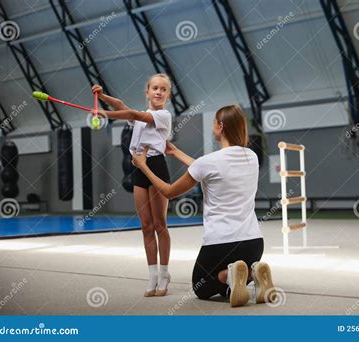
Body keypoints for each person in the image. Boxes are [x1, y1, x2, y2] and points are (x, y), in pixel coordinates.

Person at [132, 104, 276, 307]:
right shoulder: (251, 157)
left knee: (201, 286)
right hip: (254, 244)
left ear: (220, 126)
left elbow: (169, 191)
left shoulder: (208, 162)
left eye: (214, 124)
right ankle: (252, 273)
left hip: (221, 244)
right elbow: (208, 169)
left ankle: (232, 275)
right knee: (230, 278)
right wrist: (176, 152)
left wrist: (144, 166)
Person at [92, 74, 172, 297]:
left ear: (167, 95)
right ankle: (152, 275)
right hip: (138, 167)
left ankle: (164, 274)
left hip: (155, 166)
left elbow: (131, 113)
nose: (158, 92)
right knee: (146, 225)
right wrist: (102, 95)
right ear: (147, 92)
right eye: (154, 88)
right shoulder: (139, 117)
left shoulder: (162, 115)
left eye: (163, 89)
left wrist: (105, 114)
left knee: (160, 225)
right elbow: (122, 106)